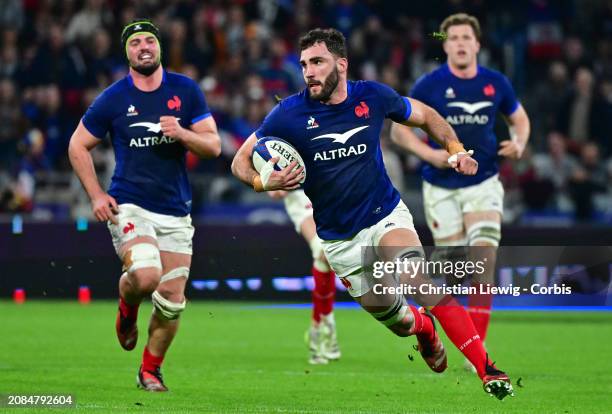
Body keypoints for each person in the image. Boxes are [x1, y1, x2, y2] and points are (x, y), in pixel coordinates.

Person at [231, 28, 513, 400]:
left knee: (418, 279)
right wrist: (262, 182)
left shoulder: (373, 96)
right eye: (303, 64)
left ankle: (487, 369)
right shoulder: (288, 114)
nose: (309, 72)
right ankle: (425, 330)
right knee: (399, 322)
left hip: (385, 215)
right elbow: (239, 161)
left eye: (317, 62)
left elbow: (427, 116)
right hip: (339, 240)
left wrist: (455, 149)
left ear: (341, 64)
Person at [68, 19, 221, 392]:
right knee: (148, 274)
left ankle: (149, 371)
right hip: (130, 205)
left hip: (175, 211)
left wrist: (182, 133)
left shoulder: (185, 90)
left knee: (171, 302)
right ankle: (127, 305)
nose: (143, 47)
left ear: (159, 47)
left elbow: (214, 146)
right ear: (127, 53)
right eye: (135, 43)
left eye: (148, 40)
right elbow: (77, 145)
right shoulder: (114, 98)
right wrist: (97, 195)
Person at [390, 13, 530, 372]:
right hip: (442, 188)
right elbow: (399, 133)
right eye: (453, 38)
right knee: (453, 270)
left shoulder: (495, 83)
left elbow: (519, 118)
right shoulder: (428, 86)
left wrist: (519, 143)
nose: (461, 43)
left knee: (483, 259)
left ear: (477, 44)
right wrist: (430, 153)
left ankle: (477, 355)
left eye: (467, 37)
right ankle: (433, 321)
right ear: (446, 45)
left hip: (483, 183)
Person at [269, 189, 340, 364]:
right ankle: (326, 331)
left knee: (325, 261)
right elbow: (273, 191)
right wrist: (278, 184)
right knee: (323, 251)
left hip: (327, 193)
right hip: (300, 199)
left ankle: (319, 329)